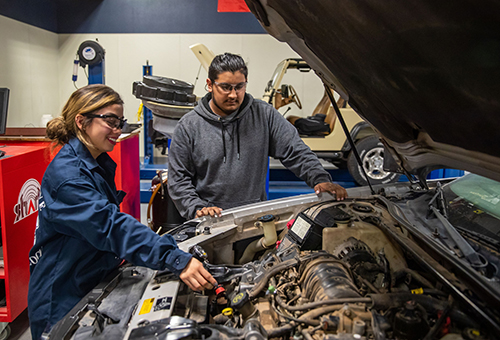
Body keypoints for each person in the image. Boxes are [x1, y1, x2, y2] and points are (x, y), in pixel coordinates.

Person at [28, 85, 217, 340]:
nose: (118, 130)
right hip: (62, 298)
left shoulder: (94, 162)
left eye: (120, 122)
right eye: (110, 121)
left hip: (88, 277)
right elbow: (111, 226)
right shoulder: (69, 176)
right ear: (81, 121)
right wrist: (174, 258)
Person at [168, 53, 348, 220]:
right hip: (210, 221)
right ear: (209, 84)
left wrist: (320, 178)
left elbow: (295, 150)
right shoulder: (189, 126)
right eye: (225, 87)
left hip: (255, 218)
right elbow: (178, 180)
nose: (233, 94)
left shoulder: (264, 115)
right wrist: (197, 208)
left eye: (240, 87)